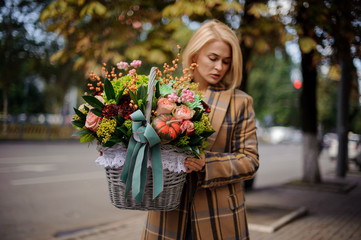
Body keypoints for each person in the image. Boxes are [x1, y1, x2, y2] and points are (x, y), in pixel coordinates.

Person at [142, 19, 259, 240]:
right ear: (195, 55)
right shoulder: (166, 95)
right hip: (167, 213)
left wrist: (207, 164)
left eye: (226, 61)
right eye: (213, 58)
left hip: (219, 216)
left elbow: (250, 160)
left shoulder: (240, 102)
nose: (219, 67)